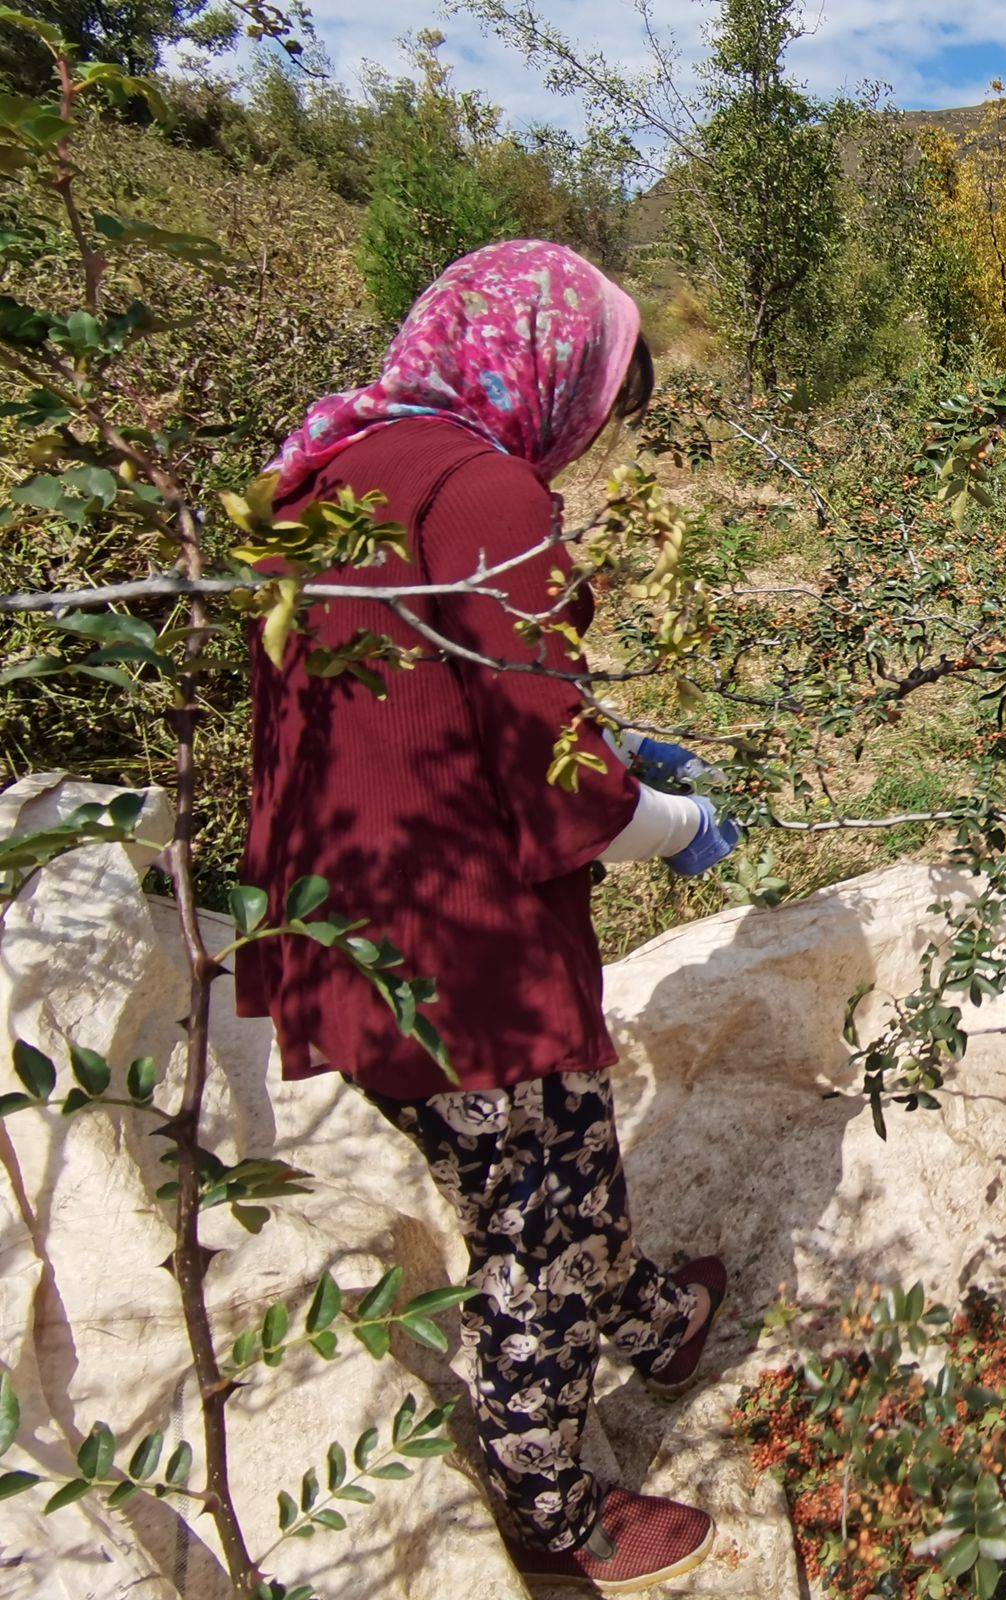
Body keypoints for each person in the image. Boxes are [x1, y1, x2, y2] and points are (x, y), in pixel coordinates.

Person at [238, 240, 744, 1594]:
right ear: (554, 367)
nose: (589, 443)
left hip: (345, 926)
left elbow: (422, 690)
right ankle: (553, 1500)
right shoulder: (483, 487)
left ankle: (649, 1315)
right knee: (539, 1204)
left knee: (537, 1166)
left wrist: (618, 743)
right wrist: (673, 821)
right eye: (601, 407)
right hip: (461, 952)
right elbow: (547, 768)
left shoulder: (329, 470)